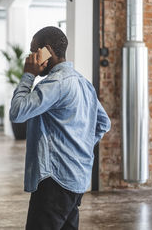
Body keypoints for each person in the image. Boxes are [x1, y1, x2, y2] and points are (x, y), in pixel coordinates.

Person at [9, 26, 111, 230]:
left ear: (46, 50)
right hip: (77, 177)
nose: (30, 56)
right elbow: (103, 123)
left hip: (54, 181)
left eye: (33, 50)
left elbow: (17, 112)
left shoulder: (56, 83)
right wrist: (78, 148)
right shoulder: (83, 82)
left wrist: (28, 75)